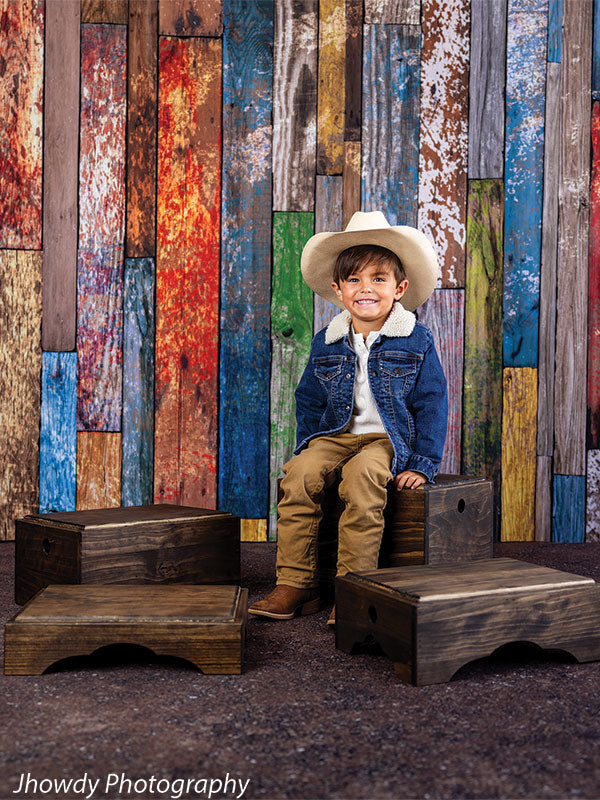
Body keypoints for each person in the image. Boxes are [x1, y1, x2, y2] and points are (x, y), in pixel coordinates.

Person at [249, 210, 448, 625]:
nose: (366, 289)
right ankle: (296, 584)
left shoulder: (415, 339)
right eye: (354, 280)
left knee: (362, 480)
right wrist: (310, 448)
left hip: (386, 439)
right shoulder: (329, 340)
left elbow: (432, 402)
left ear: (400, 288)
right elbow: (309, 399)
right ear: (339, 290)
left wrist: (422, 465)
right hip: (337, 434)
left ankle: (353, 588)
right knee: (298, 475)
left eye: (378, 279)